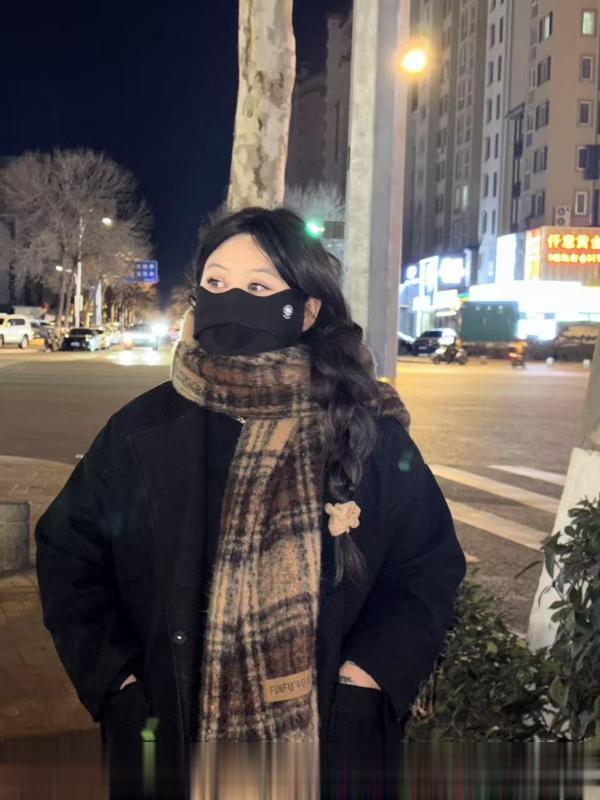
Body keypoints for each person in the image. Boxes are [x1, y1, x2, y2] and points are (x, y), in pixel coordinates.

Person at [36, 207, 466, 745]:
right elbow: (69, 554)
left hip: (329, 745)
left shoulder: (363, 431)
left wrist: (368, 679)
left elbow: (426, 567)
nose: (231, 300)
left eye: (258, 287)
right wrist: (117, 684)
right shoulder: (141, 432)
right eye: (216, 283)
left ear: (307, 311)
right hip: (167, 738)